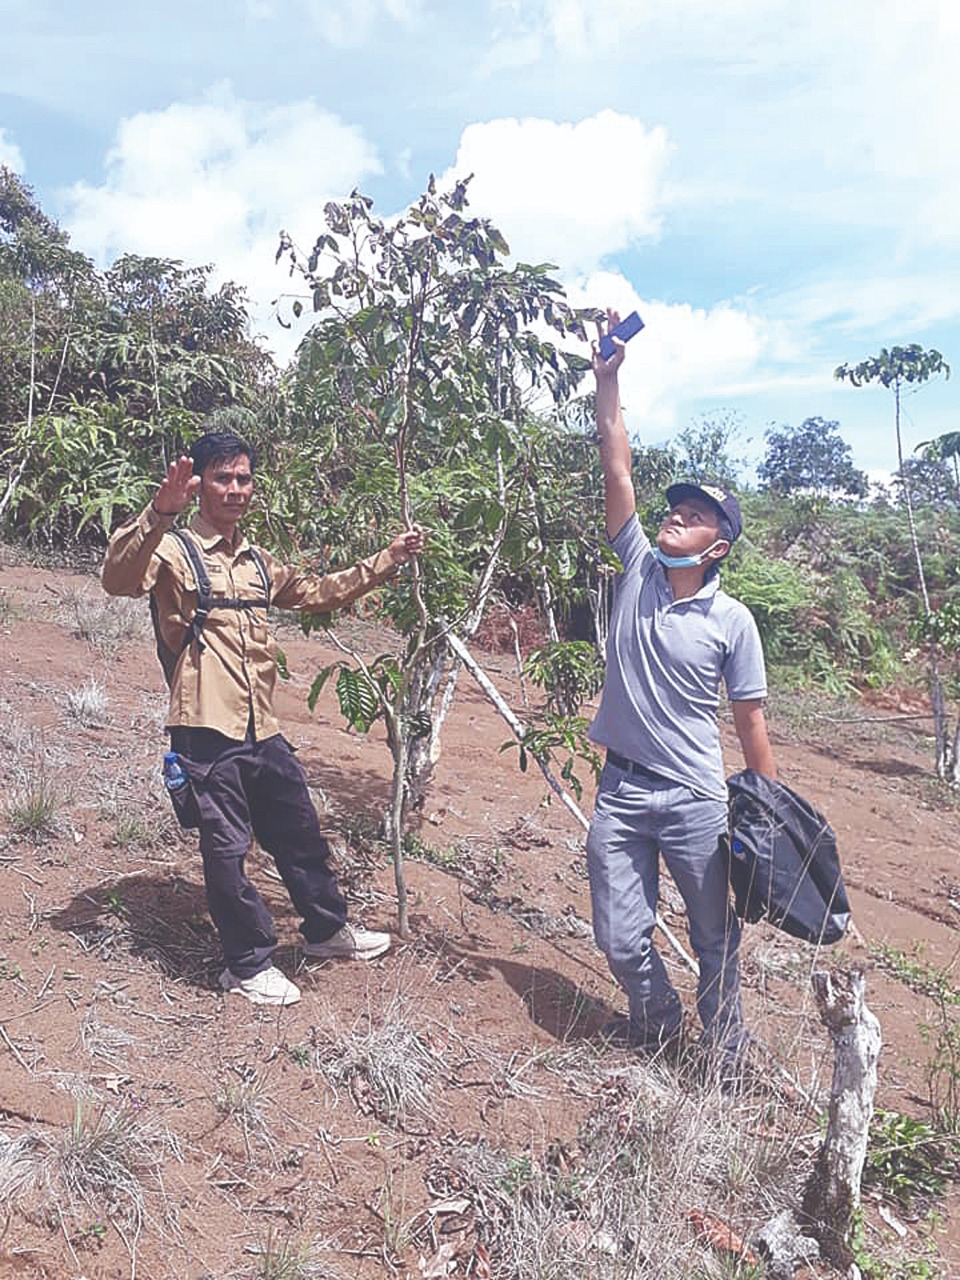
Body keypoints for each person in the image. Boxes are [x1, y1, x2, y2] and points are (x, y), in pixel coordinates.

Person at [102, 429, 424, 1007]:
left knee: (298, 830)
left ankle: (326, 931)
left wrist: (386, 561)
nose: (235, 489)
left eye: (243, 479)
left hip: (261, 726)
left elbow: (320, 591)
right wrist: (159, 512)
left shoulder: (256, 560)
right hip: (203, 724)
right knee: (226, 848)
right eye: (222, 478)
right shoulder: (174, 548)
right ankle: (246, 964)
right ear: (198, 484)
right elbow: (118, 580)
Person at [585, 310, 777, 1075]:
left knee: (713, 940)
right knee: (620, 935)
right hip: (621, 793)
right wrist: (610, 382)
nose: (674, 516)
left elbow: (752, 724)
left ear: (717, 545)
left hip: (698, 800)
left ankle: (726, 1056)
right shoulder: (636, 565)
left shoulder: (734, 621)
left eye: (694, 516)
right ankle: (661, 1027)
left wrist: (770, 819)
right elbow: (617, 465)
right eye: (676, 508)